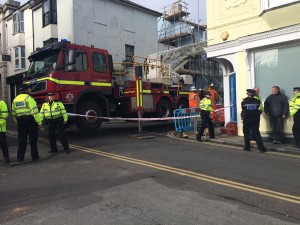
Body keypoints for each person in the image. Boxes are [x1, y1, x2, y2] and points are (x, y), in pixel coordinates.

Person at [12, 84, 43, 162]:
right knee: (33, 139)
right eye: (30, 89)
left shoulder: (15, 99)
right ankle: (35, 157)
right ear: (26, 90)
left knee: (22, 140)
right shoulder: (29, 98)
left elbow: (13, 114)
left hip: (20, 122)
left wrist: (18, 122)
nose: (31, 91)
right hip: (30, 121)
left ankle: (20, 157)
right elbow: (35, 112)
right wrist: (39, 123)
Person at [0, 98, 10, 163]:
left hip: (0, 128)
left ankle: (6, 157)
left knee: (3, 143)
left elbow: (4, 115)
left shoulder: (2, 103)